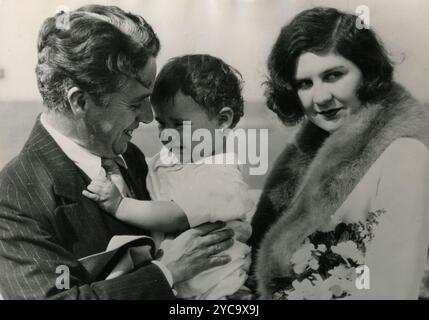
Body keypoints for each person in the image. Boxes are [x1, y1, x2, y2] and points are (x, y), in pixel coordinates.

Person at [0, 5, 235, 299]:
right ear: (80, 101)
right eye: (136, 104)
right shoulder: (13, 197)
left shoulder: (130, 156)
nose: (149, 117)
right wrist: (166, 272)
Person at [248, 7, 429, 299]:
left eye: (333, 76)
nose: (320, 97)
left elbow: (392, 291)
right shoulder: (300, 160)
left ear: (366, 72)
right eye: (304, 83)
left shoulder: (404, 155)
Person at [83, 54, 255, 300]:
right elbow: (144, 173)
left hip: (218, 291)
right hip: (178, 287)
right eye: (162, 123)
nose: (166, 135)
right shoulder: (170, 158)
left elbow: (175, 216)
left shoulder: (222, 177)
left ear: (223, 120)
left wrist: (119, 205)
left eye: (179, 124)